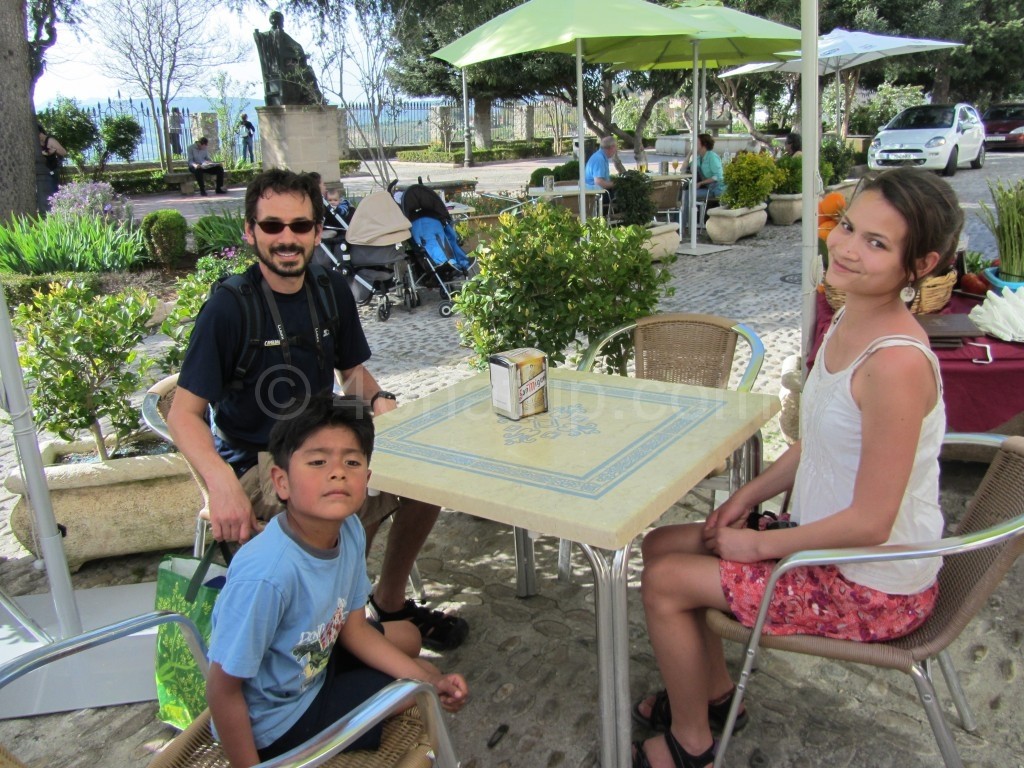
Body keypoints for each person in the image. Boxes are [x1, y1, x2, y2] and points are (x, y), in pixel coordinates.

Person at [631, 167, 962, 768]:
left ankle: (691, 742)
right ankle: (716, 696)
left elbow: (871, 522)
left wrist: (757, 549)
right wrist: (741, 500)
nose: (847, 247)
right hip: (825, 547)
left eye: (877, 243)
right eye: (850, 227)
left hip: (870, 583)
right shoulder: (849, 318)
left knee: (665, 580)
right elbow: (818, 446)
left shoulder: (896, 364)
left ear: (921, 264)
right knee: (661, 545)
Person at [167, 169, 469, 652]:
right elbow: (183, 414)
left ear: (316, 230)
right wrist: (220, 483)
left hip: (326, 439)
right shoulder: (229, 308)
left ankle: (385, 603)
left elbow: (352, 374)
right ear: (250, 232)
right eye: (272, 226)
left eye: (300, 226)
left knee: (427, 474)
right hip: (259, 460)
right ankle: (337, 627)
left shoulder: (329, 288)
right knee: (342, 500)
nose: (287, 238)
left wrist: (377, 400)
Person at [206, 393, 468, 767]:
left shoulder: (349, 530)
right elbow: (222, 690)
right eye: (317, 461)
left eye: (352, 461)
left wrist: (431, 678)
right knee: (415, 691)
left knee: (410, 640)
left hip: (313, 664)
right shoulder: (267, 576)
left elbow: (355, 630)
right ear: (281, 482)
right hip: (278, 724)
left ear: (367, 478)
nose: (338, 472)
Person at [681, 134, 724, 235]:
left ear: (703, 144)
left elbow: (718, 176)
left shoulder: (712, 157)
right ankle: (680, 224)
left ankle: (681, 226)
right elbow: (682, 170)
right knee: (682, 193)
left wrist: (701, 183)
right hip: (706, 188)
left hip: (716, 189)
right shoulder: (698, 158)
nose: (693, 145)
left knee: (688, 194)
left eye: (696, 143)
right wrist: (689, 154)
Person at [38, 125, 67, 208]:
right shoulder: (37, 143)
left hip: (53, 168)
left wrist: (53, 150)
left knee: (53, 190)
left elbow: (63, 152)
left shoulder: (50, 140)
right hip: (43, 170)